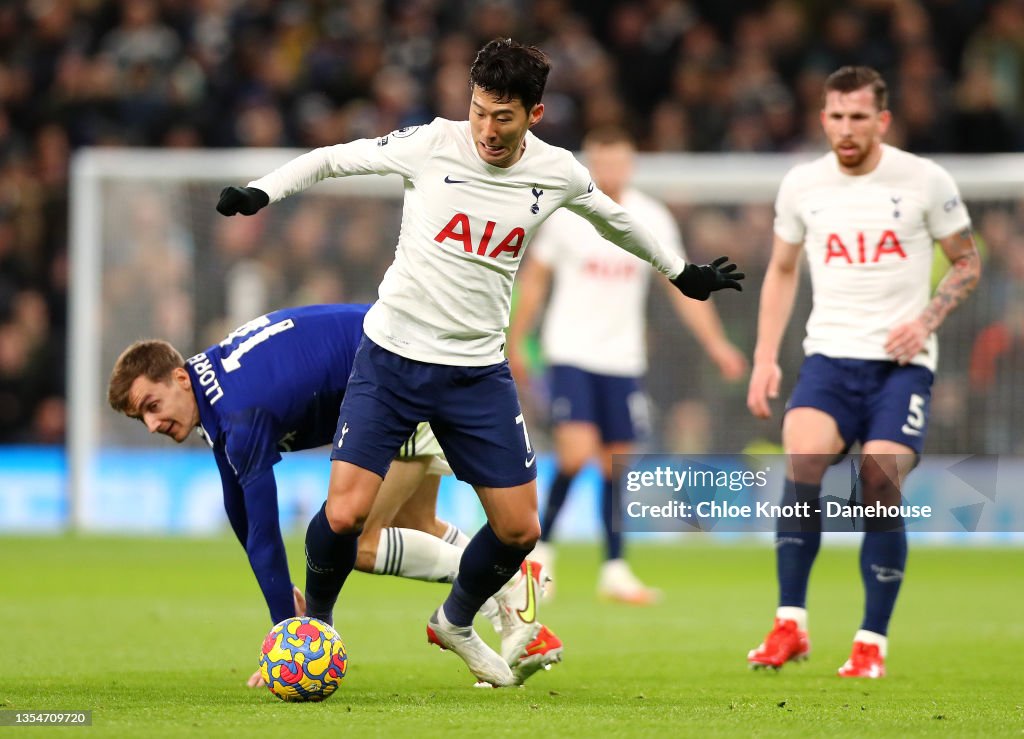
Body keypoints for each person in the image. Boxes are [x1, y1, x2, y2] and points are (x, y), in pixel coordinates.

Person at [216, 38, 744, 688]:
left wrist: (680, 272)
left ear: (535, 115)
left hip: (475, 374)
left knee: (520, 528)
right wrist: (262, 193)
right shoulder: (431, 144)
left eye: (503, 117)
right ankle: (314, 625)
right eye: (479, 111)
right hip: (392, 361)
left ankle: (455, 618)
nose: (487, 130)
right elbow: (332, 160)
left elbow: (614, 220)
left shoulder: (557, 172)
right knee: (346, 515)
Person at [107, 303, 562, 687]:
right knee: (415, 528)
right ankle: (514, 589)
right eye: (140, 418)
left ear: (178, 379)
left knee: (360, 543)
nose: (152, 424)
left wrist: (291, 634)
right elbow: (237, 500)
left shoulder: (238, 414)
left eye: (152, 406)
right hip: (410, 358)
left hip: (401, 378)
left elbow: (264, 530)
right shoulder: (213, 387)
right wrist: (286, 599)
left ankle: (511, 583)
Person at [745, 66, 981, 678]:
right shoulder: (803, 185)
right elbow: (782, 270)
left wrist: (925, 321)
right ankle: (789, 624)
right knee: (801, 461)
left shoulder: (925, 180)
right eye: (836, 116)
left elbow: (967, 263)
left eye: (858, 117)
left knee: (878, 483)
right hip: (828, 359)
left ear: (883, 121)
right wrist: (766, 356)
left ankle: (871, 639)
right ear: (822, 117)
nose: (846, 129)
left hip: (900, 367)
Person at [508, 126, 748, 605]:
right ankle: (542, 556)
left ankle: (615, 569)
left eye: (620, 161)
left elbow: (681, 285)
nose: (612, 169)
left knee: (617, 462)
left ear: (631, 163)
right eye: (603, 160)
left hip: (622, 358)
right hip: (570, 352)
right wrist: (517, 341)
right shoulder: (567, 213)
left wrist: (718, 344)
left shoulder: (651, 216)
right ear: (592, 161)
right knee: (576, 454)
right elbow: (534, 280)